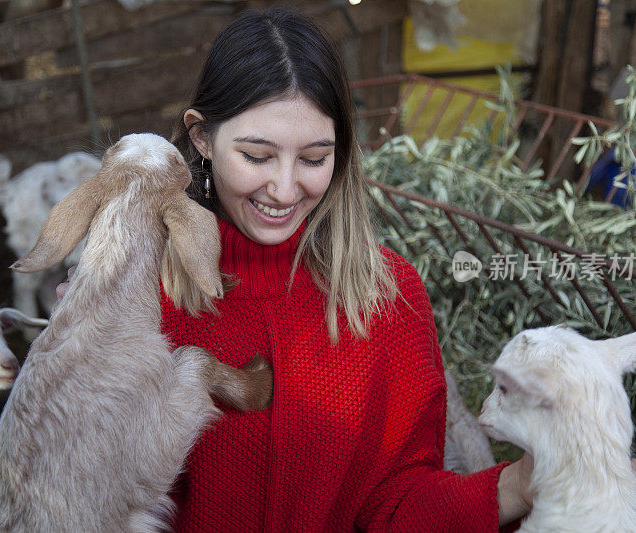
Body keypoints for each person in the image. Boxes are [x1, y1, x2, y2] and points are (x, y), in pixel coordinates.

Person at [60, 7, 533, 531]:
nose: (285, 190)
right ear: (201, 138)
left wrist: (518, 486)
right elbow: (87, 492)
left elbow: (398, 501)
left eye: (313, 159)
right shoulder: (139, 297)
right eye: (257, 155)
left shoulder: (388, 298)